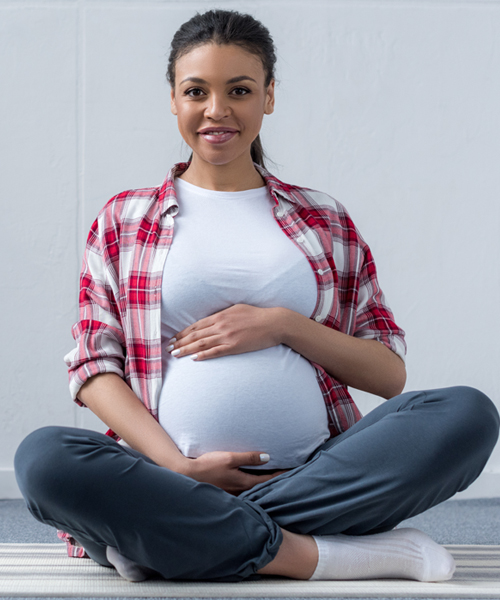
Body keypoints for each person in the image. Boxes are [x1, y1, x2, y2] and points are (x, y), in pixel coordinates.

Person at [14, 9, 499, 585]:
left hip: (317, 474)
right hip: (161, 475)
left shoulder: (324, 219)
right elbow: (95, 367)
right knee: (44, 459)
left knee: (466, 414)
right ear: (173, 99)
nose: (217, 110)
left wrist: (282, 325)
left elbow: (387, 375)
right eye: (196, 91)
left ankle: (166, 540)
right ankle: (319, 554)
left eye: (239, 90)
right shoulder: (124, 218)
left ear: (268, 97)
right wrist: (180, 469)